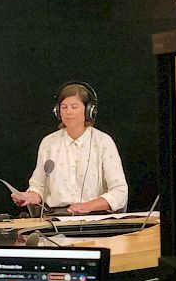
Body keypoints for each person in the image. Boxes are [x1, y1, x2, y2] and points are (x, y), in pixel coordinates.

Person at [11, 82, 128, 215]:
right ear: (58, 111)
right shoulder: (49, 143)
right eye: (64, 107)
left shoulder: (103, 142)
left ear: (88, 111)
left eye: (74, 107)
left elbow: (120, 191)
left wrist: (88, 206)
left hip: (95, 217)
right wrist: (30, 196)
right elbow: (39, 186)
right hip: (56, 218)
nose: (68, 112)